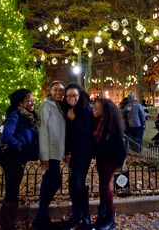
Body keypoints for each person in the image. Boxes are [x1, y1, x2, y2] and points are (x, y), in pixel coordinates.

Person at [0, 88, 40, 230]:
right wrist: (21, 147)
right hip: (12, 157)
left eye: (33, 100)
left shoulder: (29, 116)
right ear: (20, 103)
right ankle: (8, 225)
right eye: (29, 100)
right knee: (12, 191)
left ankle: (9, 222)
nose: (32, 103)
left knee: (13, 189)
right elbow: (7, 136)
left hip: (19, 158)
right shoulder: (15, 115)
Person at [32, 81, 66, 230]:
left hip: (56, 151)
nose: (58, 93)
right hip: (50, 152)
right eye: (55, 90)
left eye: (61, 90)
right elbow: (43, 130)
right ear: (50, 90)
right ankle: (41, 218)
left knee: (53, 180)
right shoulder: (46, 105)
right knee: (52, 180)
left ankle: (41, 218)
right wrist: (44, 155)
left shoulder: (59, 106)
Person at [61, 82, 95, 230]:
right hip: (73, 153)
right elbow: (67, 134)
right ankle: (76, 214)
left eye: (74, 95)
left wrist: (74, 119)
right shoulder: (67, 110)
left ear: (79, 95)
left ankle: (86, 216)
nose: (71, 98)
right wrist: (66, 152)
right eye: (68, 96)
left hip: (84, 152)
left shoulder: (86, 110)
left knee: (79, 183)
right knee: (73, 184)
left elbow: (88, 133)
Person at [92, 98, 126, 230]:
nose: (93, 110)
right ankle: (103, 215)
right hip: (101, 159)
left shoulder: (112, 126)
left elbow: (121, 148)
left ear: (105, 111)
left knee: (105, 188)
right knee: (102, 187)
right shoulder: (97, 122)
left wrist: (118, 163)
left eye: (97, 108)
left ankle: (110, 218)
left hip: (110, 160)